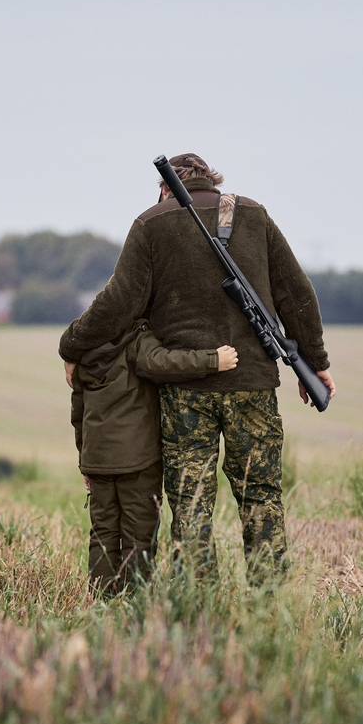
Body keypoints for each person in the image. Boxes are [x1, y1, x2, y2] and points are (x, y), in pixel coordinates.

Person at [59, 153, 335, 583]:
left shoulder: (151, 222)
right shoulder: (254, 214)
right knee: (260, 497)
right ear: (213, 182)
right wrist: (315, 363)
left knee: (190, 503)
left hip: (186, 392)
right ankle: (270, 602)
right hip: (253, 386)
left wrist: (73, 344)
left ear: (167, 189)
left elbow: (119, 301)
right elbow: (296, 292)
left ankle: (198, 602)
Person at [70, 321, 238, 595]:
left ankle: (101, 601)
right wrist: (213, 360)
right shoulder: (136, 339)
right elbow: (165, 363)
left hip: (97, 458)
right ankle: (133, 602)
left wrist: (84, 462)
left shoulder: (85, 347)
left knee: (103, 533)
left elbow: (78, 413)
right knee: (139, 537)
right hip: (138, 459)